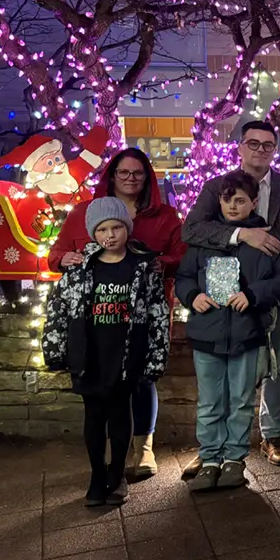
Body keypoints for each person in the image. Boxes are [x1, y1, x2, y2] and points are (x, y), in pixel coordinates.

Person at [48, 147, 185, 482]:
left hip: (141, 314)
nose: (130, 178)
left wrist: (161, 264)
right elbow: (56, 254)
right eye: (123, 172)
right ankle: (105, 464)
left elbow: (181, 256)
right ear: (112, 175)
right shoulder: (83, 212)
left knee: (140, 380)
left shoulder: (164, 216)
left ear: (147, 177)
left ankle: (143, 449)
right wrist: (62, 259)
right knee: (99, 397)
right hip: (95, 323)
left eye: (137, 173)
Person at [183, 121, 280, 466]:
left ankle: (271, 435)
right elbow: (192, 229)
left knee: (277, 365)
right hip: (226, 298)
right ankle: (215, 448)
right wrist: (243, 235)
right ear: (240, 147)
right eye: (252, 143)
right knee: (224, 374)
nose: (259, 150)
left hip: (279, 292)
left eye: (267, 145)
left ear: (275, 150)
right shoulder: (218, 188)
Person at [41, 198, 170, 506]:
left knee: (120, 415)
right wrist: (55, 350)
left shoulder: (143, 267)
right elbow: (58, 309)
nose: (109, 235)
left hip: (125, 357)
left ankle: (117, 475)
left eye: (115, 227)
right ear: (93, 233)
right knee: (94, 417)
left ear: (126, 229)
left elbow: (158, 314)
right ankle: (97, 475)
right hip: (90, 357)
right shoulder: (80, 267)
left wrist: (155, 357)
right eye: (101, 229)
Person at [177, 171, 280, 491]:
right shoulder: (203, 240)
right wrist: (192, 296)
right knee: (210, 402)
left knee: (241, 401)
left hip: (247, 333)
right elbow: (184, 276)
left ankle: (234, 459)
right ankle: (210, 458)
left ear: (254, 202)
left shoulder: (267, 241)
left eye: (240, 200)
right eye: (227, 199)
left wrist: (253, 295)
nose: (232, 206)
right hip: (208, 334)